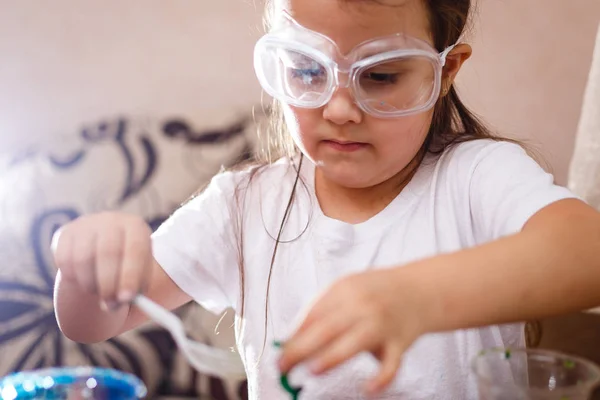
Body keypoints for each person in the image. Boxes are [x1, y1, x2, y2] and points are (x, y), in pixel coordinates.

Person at [52, 0, 600, 398]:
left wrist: (417, 298)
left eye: (381, 74)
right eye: (307, 70)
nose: (339, 108)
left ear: (444, 72)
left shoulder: (476, 178)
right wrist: (87, 262)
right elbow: (90, 322)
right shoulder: (244, 205)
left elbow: (587, 254)